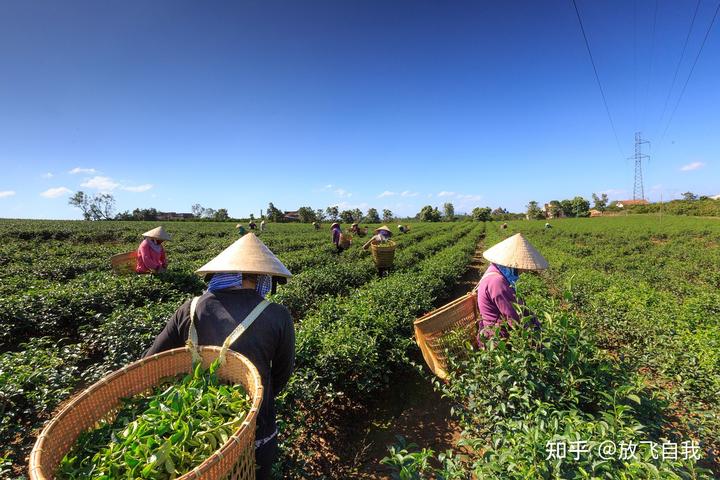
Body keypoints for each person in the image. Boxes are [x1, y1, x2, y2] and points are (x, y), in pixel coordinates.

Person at [144, 233, 294, 480]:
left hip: (193, 431)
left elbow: (152, 360)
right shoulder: (278, 315)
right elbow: (281, 374)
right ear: (261, 278)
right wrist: (257, 395)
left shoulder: (189, 308)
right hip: (255, 425)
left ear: (222, 275)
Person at [476, 233, 547, 345]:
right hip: (498, 341)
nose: (522, 272)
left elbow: (518, 307)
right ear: (512, 265)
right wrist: (537, 341)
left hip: (501, 333)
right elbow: (514, 318)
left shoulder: (496, 271)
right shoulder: (497, 282)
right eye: (521, 268)